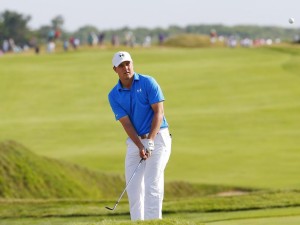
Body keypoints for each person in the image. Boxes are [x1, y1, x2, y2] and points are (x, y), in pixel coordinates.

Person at [108, 51, 172, 221]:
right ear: (115, 69)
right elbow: (126, 124)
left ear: (132, 64)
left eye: (128, 63)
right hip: (136, 140)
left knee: (152, 183)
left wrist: (150, 141)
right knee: (134, 187)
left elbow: (159, 113)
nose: (126, 68)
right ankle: (138, 222)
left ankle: (153, 222)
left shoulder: (148, 82)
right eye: (121, 66)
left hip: (158, 137)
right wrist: (139, 145)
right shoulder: (113, 95)